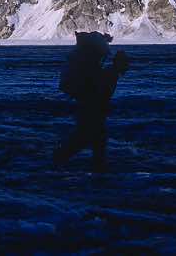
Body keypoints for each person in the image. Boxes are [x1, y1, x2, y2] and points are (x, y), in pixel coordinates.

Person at [54, 32, 129, 172]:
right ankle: (61, 161)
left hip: (89, 108)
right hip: (92, 109)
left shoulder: (94, 67)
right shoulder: (103, 71)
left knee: (90, 138)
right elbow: (101, 90)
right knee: (88, 138)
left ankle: (63, 161)